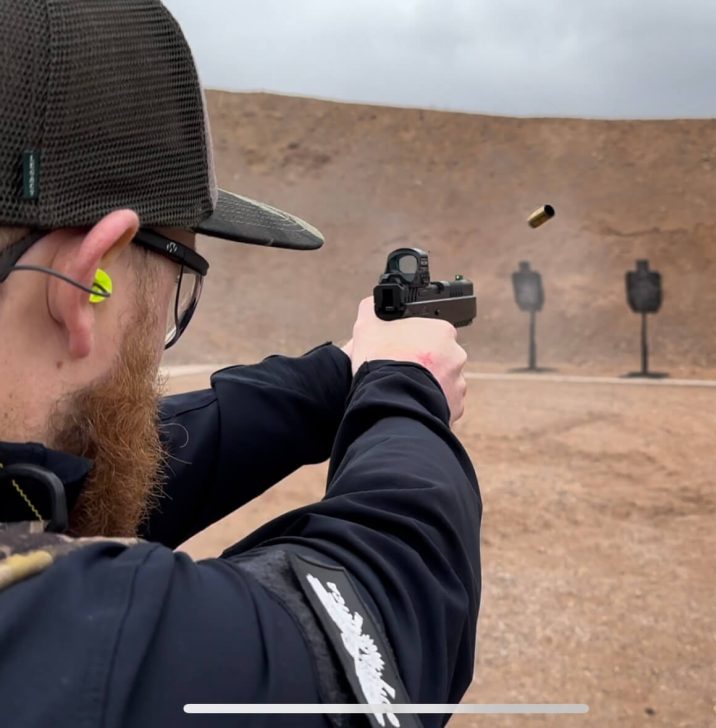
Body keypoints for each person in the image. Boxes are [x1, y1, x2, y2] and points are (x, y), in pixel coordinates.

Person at [0, 1, 480, 727]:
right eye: (178, 274)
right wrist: (405, 387)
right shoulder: (85, 637)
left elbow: (97, 465)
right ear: (85, 281)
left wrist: (339, 377)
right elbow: (387, 618)